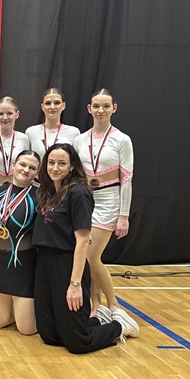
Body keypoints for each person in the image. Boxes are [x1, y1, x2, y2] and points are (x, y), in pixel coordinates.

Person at [32, 143, 137, 354]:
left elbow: (82, 241)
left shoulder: (79, 193)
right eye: (51, 163)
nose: (55, 168)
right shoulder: (47, 191)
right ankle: (99, 320)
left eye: (62, 163)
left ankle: (119, 325)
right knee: (50, 335)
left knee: (78, 342)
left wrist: (75, 284)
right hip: (44, 262)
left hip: (67, 263)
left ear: (72, 166)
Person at [73, 89, 139, 331]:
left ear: (114, 108)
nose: (101, 110)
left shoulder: (122, 140)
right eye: (96, 106)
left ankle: (114, 305)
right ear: (89, 109)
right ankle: (95, 307)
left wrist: (124, 215)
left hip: (109, 200)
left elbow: (127, 179)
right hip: (85, 200)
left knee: (92, 256)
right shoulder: (80, 140)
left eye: (106, 106)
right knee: (86, 258)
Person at [0, 150, 40, 334]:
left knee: (27, 329)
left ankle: (22, 309)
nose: (26, 170)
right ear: (14, 165)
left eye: (32, 168)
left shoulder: (39, 196)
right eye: (23, 165)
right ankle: (15, 309)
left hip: (25, 267)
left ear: (37, 172)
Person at [25, 88, 81, 159]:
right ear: (42, 107)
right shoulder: (31, 132)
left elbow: (75, 160)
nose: (52, 107)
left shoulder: (74, 132)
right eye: (48, 103)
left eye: (57, 103)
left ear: (63, 105)